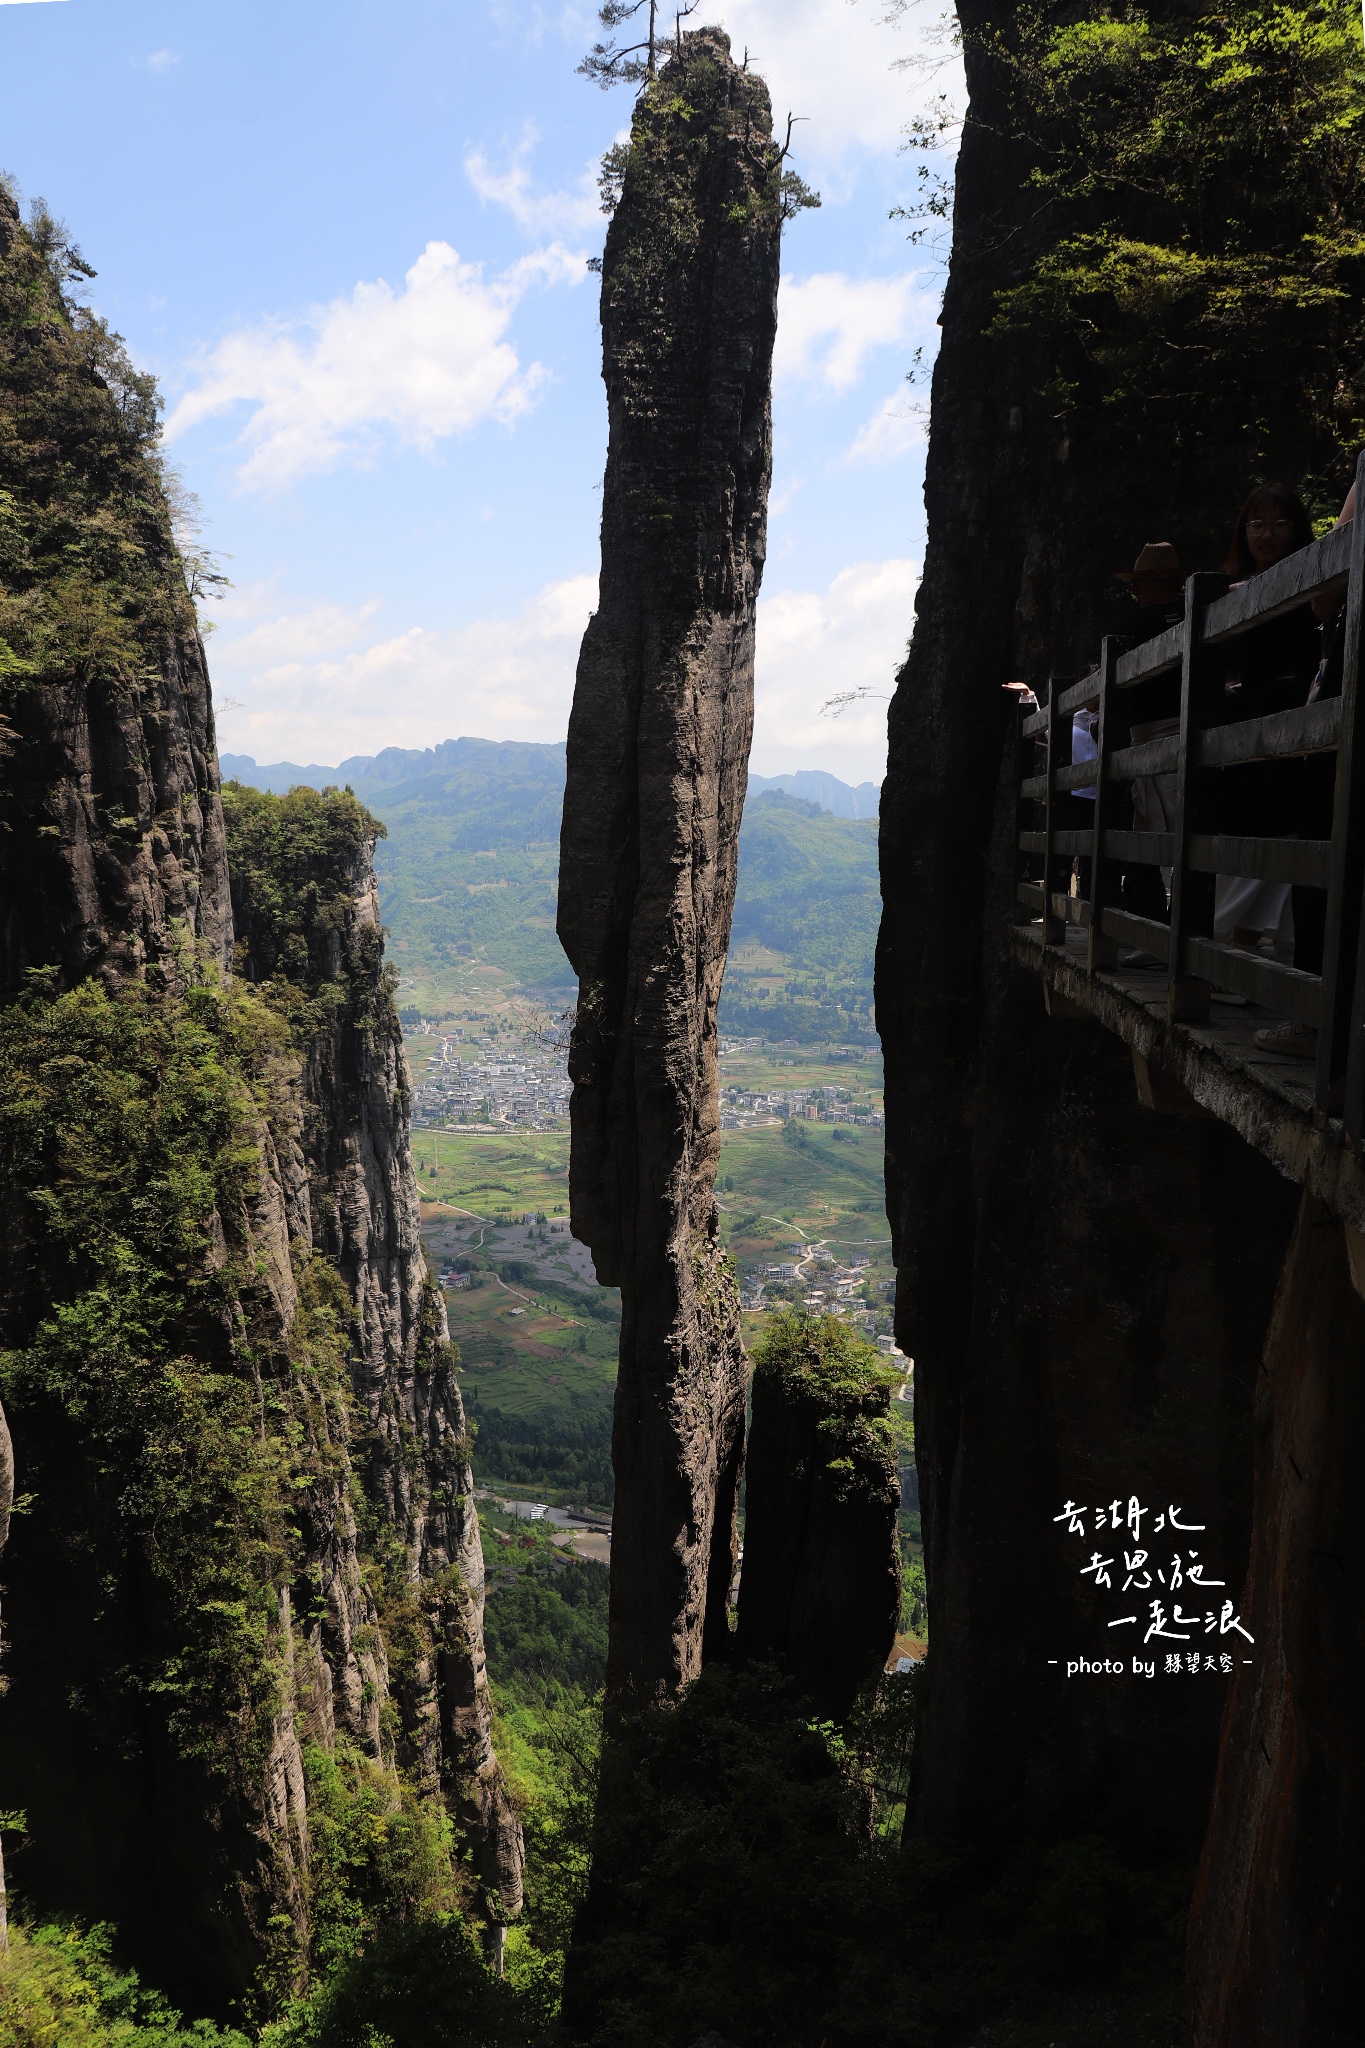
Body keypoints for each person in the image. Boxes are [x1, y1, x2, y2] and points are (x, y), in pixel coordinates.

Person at [1211, 484, 1321, 970]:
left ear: (1296, 528)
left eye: (1279, 524)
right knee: (1243, 827)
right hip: (1246, 723)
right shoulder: (1230, 590)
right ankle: (1236, 948)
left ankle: (1243, 946)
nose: (1267, 534)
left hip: (1295, 713)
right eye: (1257, 524)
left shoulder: (1315, 574)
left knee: (1283, 828)